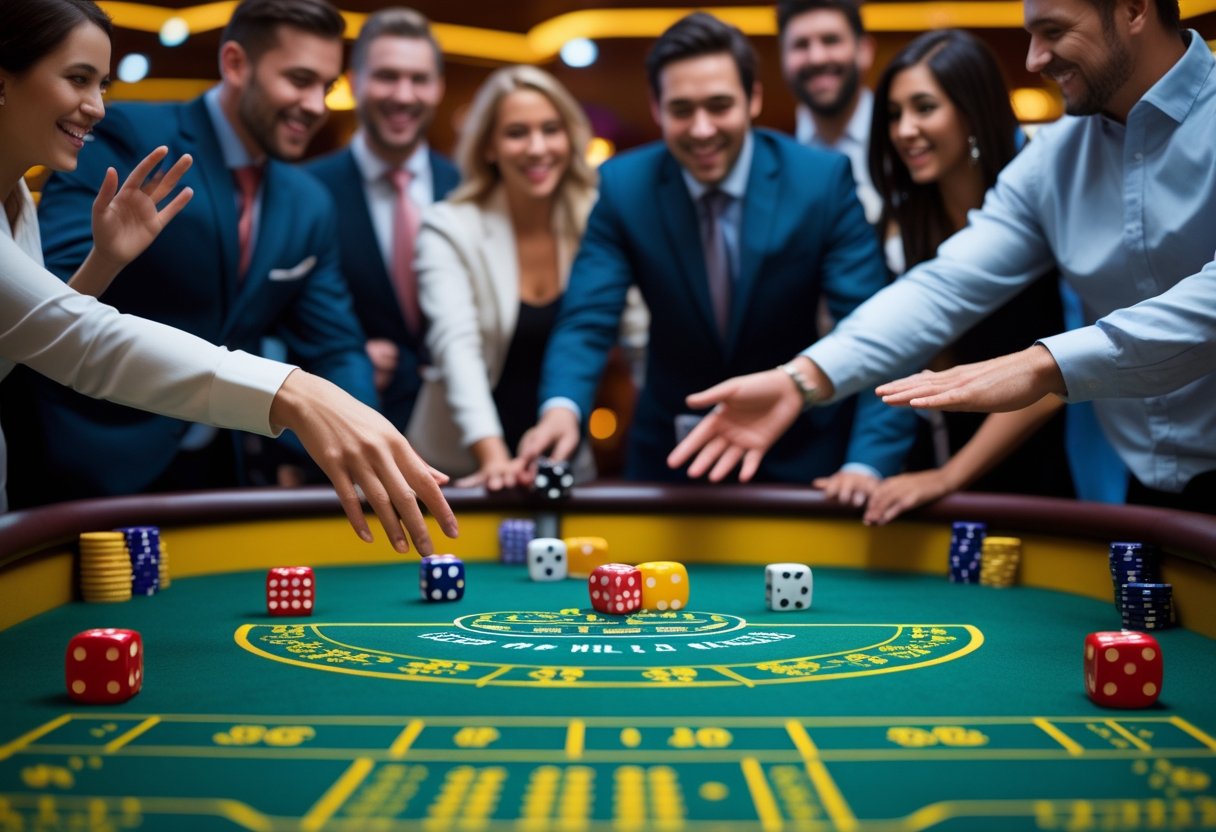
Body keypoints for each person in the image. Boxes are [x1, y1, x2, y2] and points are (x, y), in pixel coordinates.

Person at [670, 0, 1216, 515]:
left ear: (1134, 9)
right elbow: (943, 286)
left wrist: (1040, 365)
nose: (1033, 59)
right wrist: (801, 379)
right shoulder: (1052, 160)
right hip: (1145, 486)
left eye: (1053, 31)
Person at [0, 0, 456, 553]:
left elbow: (335, 344)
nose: (317, 105)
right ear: (236, 63)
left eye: (327, 86)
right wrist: (294, 392)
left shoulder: (309, 200)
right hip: (88, 466)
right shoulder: (133, 135)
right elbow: (62, 327)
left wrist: (372, 446)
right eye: (299, 80)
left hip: (218, 469)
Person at [515, 12, 908, 485]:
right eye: (682, 110)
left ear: (753, 99)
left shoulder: (820, 182)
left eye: (719, 106)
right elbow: (587, 319)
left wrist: (866, 464)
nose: (702, 129)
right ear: (657, 108)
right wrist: (562, 409)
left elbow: (872, 328)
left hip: (799, 455)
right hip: (671, 459)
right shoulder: (623, 186)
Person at [821, 29, 1074, 521]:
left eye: (924, 108)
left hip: (1035, 467)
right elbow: (901, 358)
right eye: (894, 114)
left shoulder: (1044, 207)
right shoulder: (902, 220)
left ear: (973, 110)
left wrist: (949, 476)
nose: (904, 129)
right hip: (932, 461)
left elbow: (1057, 376)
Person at [406, 65, 599, 489]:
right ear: (489, 147)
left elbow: (636, 335)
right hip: (459, 467)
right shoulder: (448, 225)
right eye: (516, 133)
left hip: (562, 461)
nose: (537, 147)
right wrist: (493, 456)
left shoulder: (596, 220)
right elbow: (457, 347)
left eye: (551, 129)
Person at [306, 7, 458, 433]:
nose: (404, 95)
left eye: (419, 79)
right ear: (355, 82)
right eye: (387, 76)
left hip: (457, 437)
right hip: (344, 432)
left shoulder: (469, 189)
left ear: (438, 87)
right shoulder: (306, 192)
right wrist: (340, 361)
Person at [777, 0, 880, 222]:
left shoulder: (904, 140)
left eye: (831, 40)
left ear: (864, 51)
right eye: (801, 45)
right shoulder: (770, 158)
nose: (817, 58)